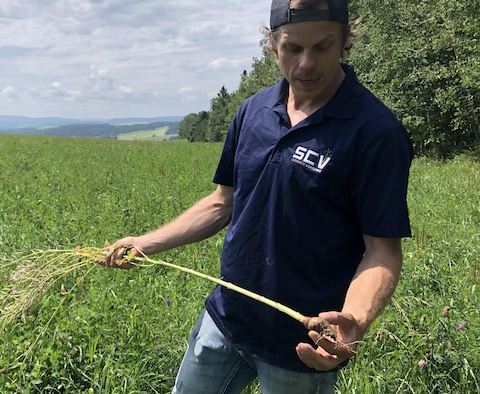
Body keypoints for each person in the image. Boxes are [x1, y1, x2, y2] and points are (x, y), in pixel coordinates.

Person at [103, 0, 413, 393]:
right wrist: (145, 243)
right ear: (272, 43)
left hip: (302, 347)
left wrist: (353, 319)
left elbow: (382, 250)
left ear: (345, 41)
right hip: (225, 320)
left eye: (321, 46)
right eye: (292, 48)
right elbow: (223, 202)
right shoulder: (253, 111)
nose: (305, 64)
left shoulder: (376, 132)